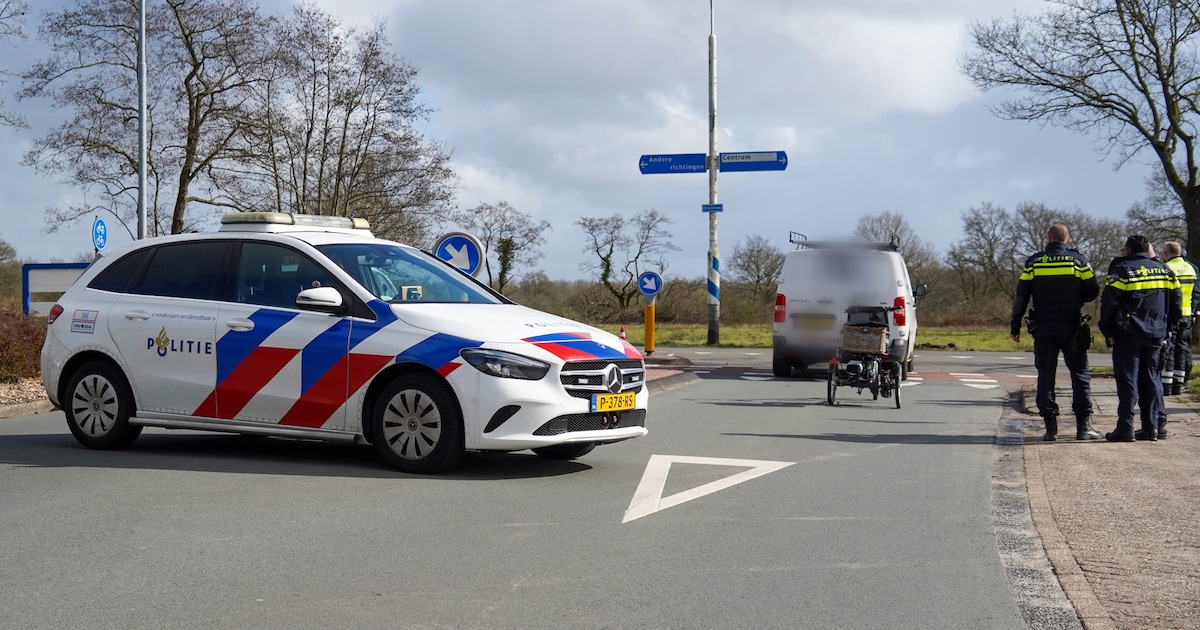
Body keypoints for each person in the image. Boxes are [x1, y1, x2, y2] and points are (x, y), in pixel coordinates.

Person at [1010, 223, 1101, 441]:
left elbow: (1022, 296)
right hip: (1072, 326)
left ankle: (1050, 429)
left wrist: (1015, 325)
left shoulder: (1034, 263)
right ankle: (1083, 428)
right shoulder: (1079, 261)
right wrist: (1075, 297)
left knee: (1046, 375)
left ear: (1048, 239)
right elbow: (1093, 291)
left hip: (1044, 326)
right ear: (1067, 240)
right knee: (1080, 375)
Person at [1099, 235, 1181, 442]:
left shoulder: (1123, 271)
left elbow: (1109, 304)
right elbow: (1177, 304)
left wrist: (1108, 331)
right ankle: (1151, 428)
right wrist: (1169, 329)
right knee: (1152, 379)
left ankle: (1125, 428)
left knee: (1128, 380)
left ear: (1128, 250)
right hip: (1157, 334)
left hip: (1128, 334)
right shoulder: (1165, 270)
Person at [1159, 241, 1199, 399]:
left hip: (1172, 314)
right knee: (1182, 347)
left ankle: (1167, 384)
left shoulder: (1168, 268)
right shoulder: (1190, 268)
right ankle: (1179, 383)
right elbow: (1195, 292)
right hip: (1187, 313)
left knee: (1169, 347)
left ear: (1167, 253)